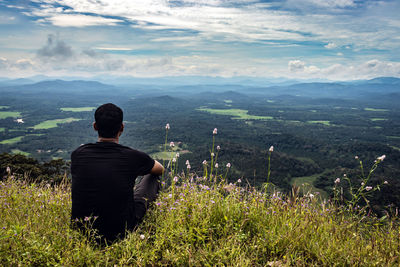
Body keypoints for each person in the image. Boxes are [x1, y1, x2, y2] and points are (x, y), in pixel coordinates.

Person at [71, 103, 164, 242]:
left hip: (82, 230)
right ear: (122, 127)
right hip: (120, 230)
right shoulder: (132, 156)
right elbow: (160, 169)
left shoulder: (78, 154)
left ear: (95, 126)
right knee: (153, 177)